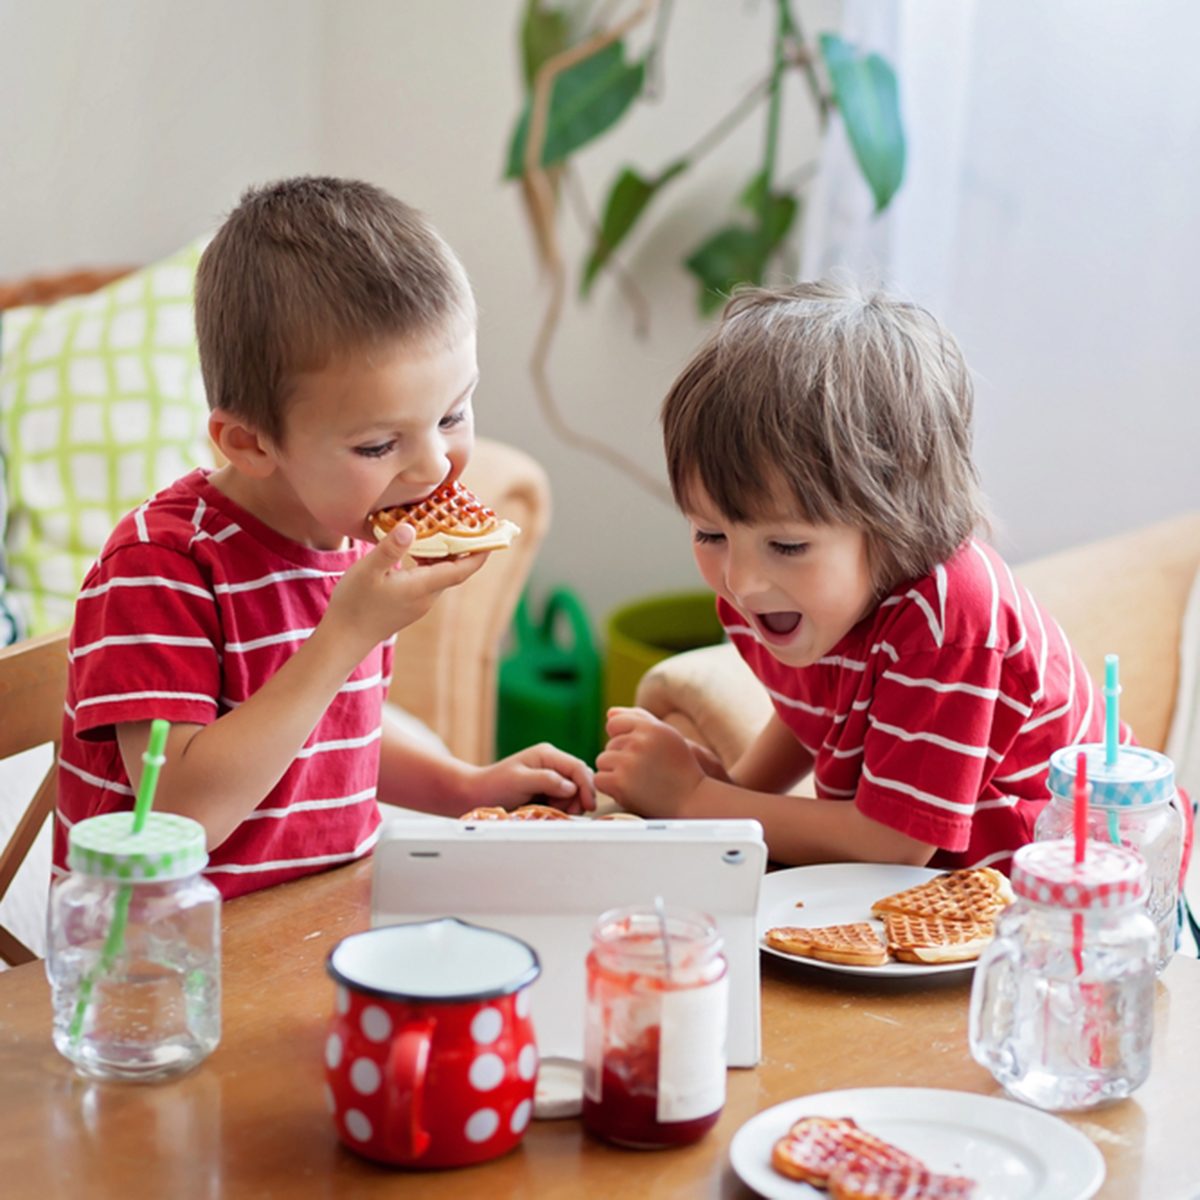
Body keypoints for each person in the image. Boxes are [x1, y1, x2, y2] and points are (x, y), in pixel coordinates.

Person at [55, 176, 593, 898]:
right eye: (378, 445)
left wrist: (462, 786)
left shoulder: (349, 532)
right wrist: (344, 634)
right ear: (249, 443)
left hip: (321, 923)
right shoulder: (161, 568)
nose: (434, 464)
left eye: (453, 414)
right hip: (173, 963)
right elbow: (177, 816)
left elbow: (336, 731)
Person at [596, 279, 1132, 873]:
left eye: (788, 544)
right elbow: (821, 710)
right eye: (710, 533)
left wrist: (700, 802)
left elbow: (894, 843)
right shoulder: (782, 594)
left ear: (894, 520)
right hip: (916, 894)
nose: (741, 581)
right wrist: (737, 790)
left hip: (1065, 893)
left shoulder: (950, 620)